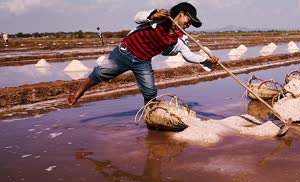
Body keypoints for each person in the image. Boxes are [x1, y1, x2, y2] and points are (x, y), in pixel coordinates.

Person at [67, 2, 218, 106]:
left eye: (191, 23)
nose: (189, 24)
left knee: (150, 91)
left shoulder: (180, 37)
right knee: (100, 73)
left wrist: (206, 59)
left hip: (142, 61)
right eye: (188, 20)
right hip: (124, 52)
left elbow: (188, 55)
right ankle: (79, 93)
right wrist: (153, 15)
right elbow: (138, 17)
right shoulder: (160, 18)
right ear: (180, 13)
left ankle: (150, 113)